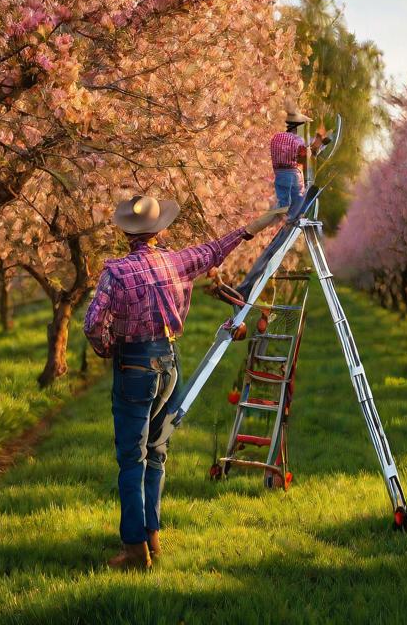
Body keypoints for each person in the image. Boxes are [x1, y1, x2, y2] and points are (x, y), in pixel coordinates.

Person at [83, 194, 284, 571]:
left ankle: (134, 550)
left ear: (127, 232)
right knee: (157, 451)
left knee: (131, 457)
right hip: (169, 361)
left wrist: (107, 348)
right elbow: (214, 250)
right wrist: (255, 225)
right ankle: (153, 538)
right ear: (160, 230)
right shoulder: (175, 262)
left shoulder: (117, 272)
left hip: (134, 365)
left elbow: (93, 323)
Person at [270, 104, 326, 212]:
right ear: (296, 126)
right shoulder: (297, 141)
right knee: (296, 202)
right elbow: (303, 157)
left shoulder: (277, 137)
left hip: (277, 173)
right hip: (290, 176)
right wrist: (314, 151)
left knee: (281, 204)